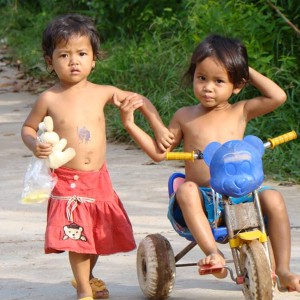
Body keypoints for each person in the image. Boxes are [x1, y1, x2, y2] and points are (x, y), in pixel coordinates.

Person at [118, 34, 300, 292]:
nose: (207, 87)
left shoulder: (241, 110)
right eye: (201, 78)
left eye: (219, 80)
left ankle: (282, 270)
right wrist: (130, 124)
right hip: (203, 202)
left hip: (242, 195)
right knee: (186, 189)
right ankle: (213, 253)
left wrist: (243, 68)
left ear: (236, 85)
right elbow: (159, 153)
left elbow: (278, 97)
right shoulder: (185, 116)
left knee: (274, 198)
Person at [21, 14, 174, 300]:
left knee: (95, 236)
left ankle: (87, 278)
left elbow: (139, 100)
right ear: (49, 61)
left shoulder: (103, 92)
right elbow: (28, 127)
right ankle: (83, 291)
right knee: (76, 236)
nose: (73, 61)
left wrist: (159, 126)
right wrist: (34, 143)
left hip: (98, 179)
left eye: (81, 53)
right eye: (64, 55)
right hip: (67, 180)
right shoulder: (49, 99)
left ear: (93, 59)